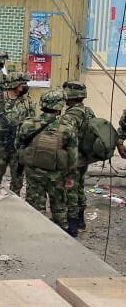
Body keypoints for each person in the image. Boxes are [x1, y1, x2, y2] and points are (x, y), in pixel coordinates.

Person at [15, 90, 77, 232]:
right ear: (60, 106)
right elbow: (73, 155)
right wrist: (70, 176)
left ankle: (35, 231)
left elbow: (18, 146)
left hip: (34, 172)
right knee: (59, 205)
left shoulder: (28, 123)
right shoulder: (67, 127)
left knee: (34, 204)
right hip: (57, 174)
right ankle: (63, 233)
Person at [0, 72, 35, 195]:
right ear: (15, 84)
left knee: (17, 180)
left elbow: (32, 122)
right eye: (23, 83)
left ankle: (15, 203)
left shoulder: (26, 101)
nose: (25, 86)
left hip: (18, 148)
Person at [60, 81, 96, 236]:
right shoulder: (88, 111)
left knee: (71, 190)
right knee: (79, 187)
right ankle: (81, 221)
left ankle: (72, 225)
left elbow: (65, 136)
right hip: (85, 157)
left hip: (73, 158)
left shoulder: (71, 115)